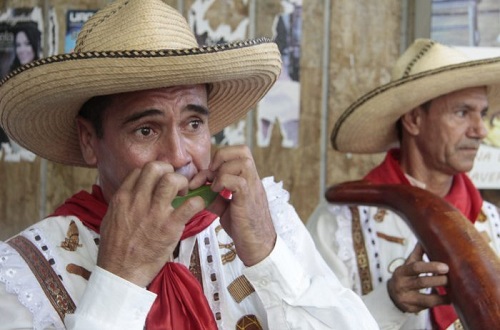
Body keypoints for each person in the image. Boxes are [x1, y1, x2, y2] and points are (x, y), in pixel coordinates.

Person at [0, 1, 378, 329]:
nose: (180, 156)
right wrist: (120, 281)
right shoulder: (25, 268)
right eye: (146, 130)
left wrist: (267, 252)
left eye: (194, 123)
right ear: (89, 140)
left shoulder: (269, 221)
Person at [307, 38, 500, 330]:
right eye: (462, 113)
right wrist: (388, 302)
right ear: (413, 120)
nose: (480, 130)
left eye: (482, 114)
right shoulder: (341, 221)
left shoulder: (492, 221)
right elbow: (307, 322)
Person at [0, 21, 41, 159]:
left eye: (27, 43)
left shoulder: (42, 77)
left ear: (35, 43)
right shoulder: (10, 79)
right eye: (18, 45)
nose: (22, 50)